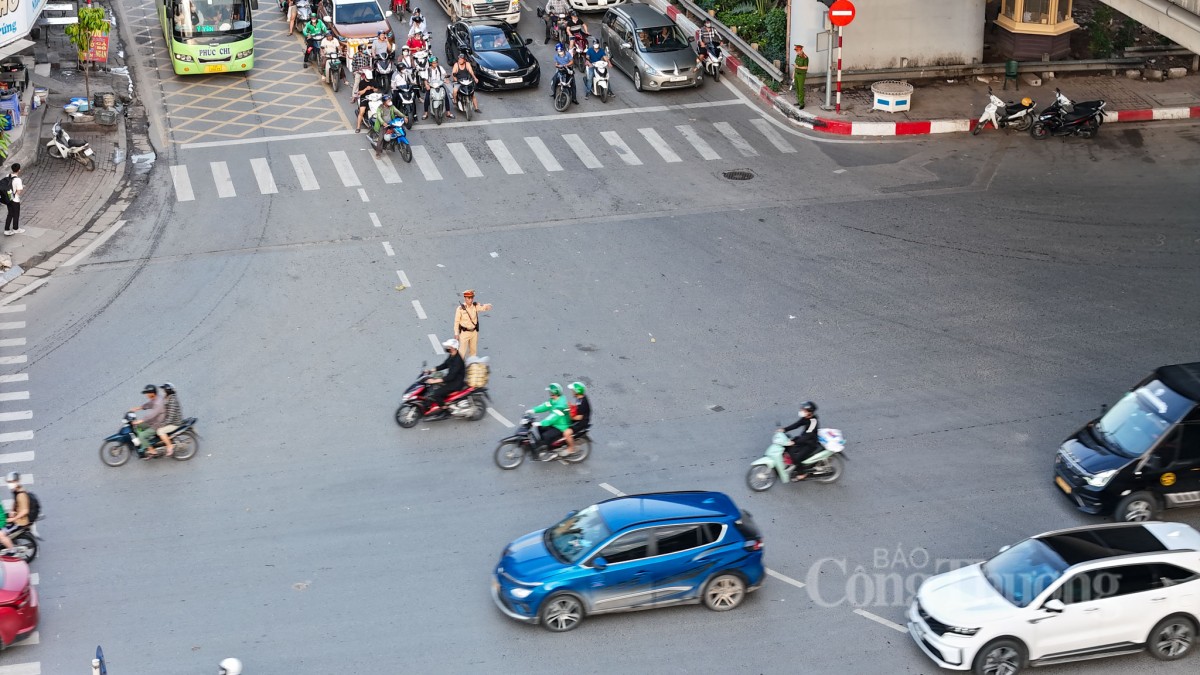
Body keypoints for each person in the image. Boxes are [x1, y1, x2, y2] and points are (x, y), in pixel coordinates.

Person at [778, 401, 820, 481]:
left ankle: (802, 473)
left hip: (810, 443)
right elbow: (797, 424)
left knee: (796, 457)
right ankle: (788, 464)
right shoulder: (806, 418)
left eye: (804, 410)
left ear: (809, 412)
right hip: (803, 439)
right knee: (786, 446)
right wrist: (784, 429)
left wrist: (795, 442)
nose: (801, 411)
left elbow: (808, 435)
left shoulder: (813, 422)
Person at [424, 338, 466, 413]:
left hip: (455, 383)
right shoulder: (452, 355)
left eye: (448, 347)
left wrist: (434, 381)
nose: (447, 348)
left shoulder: (458, 361)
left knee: (436, 393)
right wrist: (431, 370)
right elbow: (445, 364)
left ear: (453, 348)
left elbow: (450, 377)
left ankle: (444, 408)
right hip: (452, 380)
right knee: (434, 386)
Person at [529, 383, 571, 455]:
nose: (549, 393)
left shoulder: (561, 405)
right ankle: (543, 444)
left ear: (554, 393)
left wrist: (541, 423)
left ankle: (549, 450)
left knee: (546, 435)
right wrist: (533, 410)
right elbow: (545, 406)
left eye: (550, 392)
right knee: (540, 428)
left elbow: (552, 418)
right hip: (555, 423)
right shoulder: (554, 400)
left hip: (561, 426)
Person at [130, 384, 168, 458]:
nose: (146, 395)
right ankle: (145, 442)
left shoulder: (158, 403)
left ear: (152, 393)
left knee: (141, 435)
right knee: (137, 427)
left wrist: (140, 420)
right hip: (153, 421)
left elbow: (151, 415)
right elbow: (150, 404)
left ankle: (151, 450)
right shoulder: (156, 398)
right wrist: (138, 408)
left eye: (147, 393)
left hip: (157, 424)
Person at [453, 290, 492, 358]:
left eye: (472, 298)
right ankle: (459, 366)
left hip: (474, 332)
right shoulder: (460, 309)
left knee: (473, 351)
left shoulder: (475, 306)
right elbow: (457, 322)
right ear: (465, 298)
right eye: (469, 298)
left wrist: (487, 306)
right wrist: (456, 334)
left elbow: (482, 307)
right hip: (464, 333)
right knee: (461, 352)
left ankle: (472, 365)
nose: (470, 300)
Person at [372, 93, 406, 158]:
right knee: (380, 139)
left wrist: (404, 116)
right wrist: (383, 123)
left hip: (392, 123)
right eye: (388, 101)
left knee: (401, 130)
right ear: (384, 102)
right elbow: (379, 116)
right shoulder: (380, 108)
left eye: (390, 100)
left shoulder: (392, 107)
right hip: (384, 125)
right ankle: (378, 153)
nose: (390, 102)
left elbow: (397, 112)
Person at [562, 381, 590, 455]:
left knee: (566, 433)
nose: (572, 392)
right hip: (578, 418)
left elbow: (580, 417)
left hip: (581, 422)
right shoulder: (580, 398)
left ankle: (571, 448)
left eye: (573, 391)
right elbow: (577, 408)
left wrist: (569, 416)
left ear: (577, 392)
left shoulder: (583, 402)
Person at [156, 382, 183, 457]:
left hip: (174, 423)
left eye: (164, 391)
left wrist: (161, 425)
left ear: (168, 391)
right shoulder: (168, 398)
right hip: (170, 420)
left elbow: (171, 417)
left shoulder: (172, 401)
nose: (162, 392)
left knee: (160, 431)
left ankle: (169, 446)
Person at [1, 163, 22, 236]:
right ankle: (15, 229)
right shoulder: (18, 180)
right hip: (15, 199)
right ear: (19, 170)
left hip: (8, 198)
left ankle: (6, 229)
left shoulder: (8, 176)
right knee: (16, 214)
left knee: (10, 214)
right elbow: (19, 192)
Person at [792, 44, 809, 108]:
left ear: (801, 50)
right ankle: (799, 101)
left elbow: (806, 67)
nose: (797, 52)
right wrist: (793, 73)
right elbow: (795, 65)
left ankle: (802, 104)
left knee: (801, 89)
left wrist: (798, 67)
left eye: (798, 50)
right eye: (796, 51)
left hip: (801, 75)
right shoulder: (797, 56)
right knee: (797, 88)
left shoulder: (805, 57)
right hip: (796, 74)